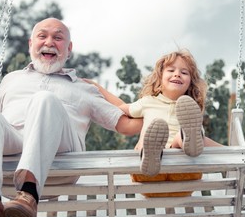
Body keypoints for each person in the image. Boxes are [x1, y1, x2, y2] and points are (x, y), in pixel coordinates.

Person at [0, 17, 142, 217]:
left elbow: (126, 125)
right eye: (42, 36)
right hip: (12, 155)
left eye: (57, 38)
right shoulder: (12, 79)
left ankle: (29, 196)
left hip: (60, 158)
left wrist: (161, 113)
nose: (49, 42)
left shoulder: (83, 87)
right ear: (31, 44)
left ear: (69, 48)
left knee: (44, 99)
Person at [86, 49, 222, 197]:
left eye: (184, 72)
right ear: (160, 77)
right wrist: (96, 87)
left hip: (184, 174)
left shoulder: (190, 110)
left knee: (183, 137)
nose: (177, 74)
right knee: (163, 135)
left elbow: (204, 141)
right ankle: (152, 153)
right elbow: (120, 108)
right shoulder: (148, 102)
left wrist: (233, 151)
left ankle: (182, 141)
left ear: (190, 82)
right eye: (171, 70)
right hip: (149, 176)